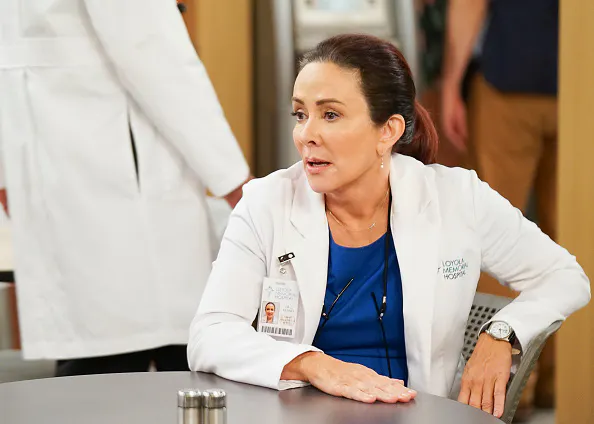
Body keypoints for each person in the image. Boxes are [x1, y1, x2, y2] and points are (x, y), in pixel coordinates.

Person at [187, 34, 589, 418]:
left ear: (388, 131)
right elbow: (210, 334)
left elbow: (565, 276)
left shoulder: (456, 198)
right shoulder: (266, 203)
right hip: (296, 416)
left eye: (330, 115)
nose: (306, 135)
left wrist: (502, 333)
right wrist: (312, 364)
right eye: (300, 114)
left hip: (420, 415)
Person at [0, 0, 250, 375]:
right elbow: (156, 57)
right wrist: (235, 182)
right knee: (144, 343)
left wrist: (7, 170)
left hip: (59, 155)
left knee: (98, 339)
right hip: (114, 171)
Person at [440, 0, 561, 416]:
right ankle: (562, 380)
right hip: (580, 82)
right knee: (575, 238)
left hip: (509, 77)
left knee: (497, 243)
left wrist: (453, 81)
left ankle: (507, 389)